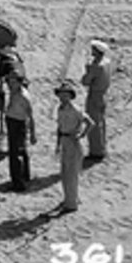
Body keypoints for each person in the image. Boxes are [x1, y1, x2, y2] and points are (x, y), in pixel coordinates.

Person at [54, 80, 93, 213]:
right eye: (61, 94)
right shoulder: (60, 109)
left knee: (71, 173)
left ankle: (71, 203)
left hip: (72, 141)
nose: (62, 97)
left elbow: (90, 123)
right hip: (65, 141)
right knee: (65, 173)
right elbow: (59, 128)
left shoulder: (75, 110)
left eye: (65, 94)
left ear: (70, 96)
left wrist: (81, 135)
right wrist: (58, 144)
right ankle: (70, 198)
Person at [81, 40, 112, 161]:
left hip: (95, 95)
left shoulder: (96, 67)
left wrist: (88, 70)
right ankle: (102, 147)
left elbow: (85, 81)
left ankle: (96, 151)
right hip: (103, 94)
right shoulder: (107, 62)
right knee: (101, 122)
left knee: (93, 122)